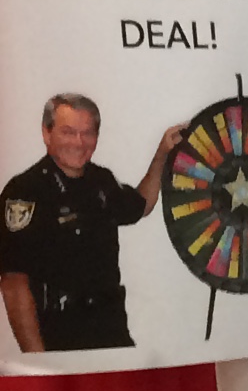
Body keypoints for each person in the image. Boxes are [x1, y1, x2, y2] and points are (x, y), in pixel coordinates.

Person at [0, 93, 184, 354]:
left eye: (87, 133)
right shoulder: (24, 192)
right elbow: (14, 285)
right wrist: (38, 360)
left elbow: (140, 205)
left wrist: (162, 154)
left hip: (110, 330)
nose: (79, 142)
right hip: (59, 337)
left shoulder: (101, 181)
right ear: (46, 133)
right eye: (68, 132)